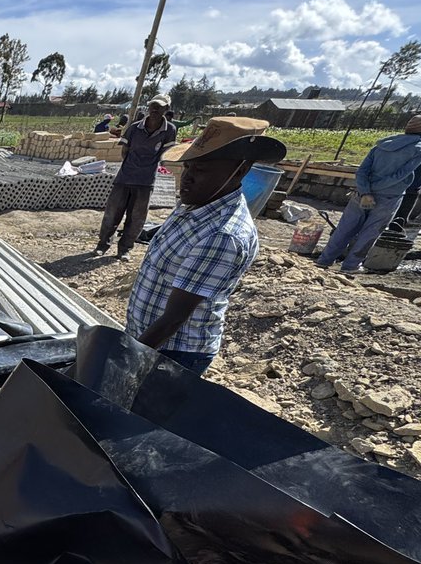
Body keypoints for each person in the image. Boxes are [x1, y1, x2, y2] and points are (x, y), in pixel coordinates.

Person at [126, 116, 286, 375]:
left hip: (172, 351)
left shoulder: (222, 235)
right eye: (187, 167)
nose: (187, 178)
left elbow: (173, 319)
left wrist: (127, 360)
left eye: (200, 170)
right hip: (148, 340)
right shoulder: (195, 203)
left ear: (240, 171)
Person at [316, 115, 421, 274]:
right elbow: (401, 175)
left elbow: (361, 171)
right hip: (389, 196)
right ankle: (350, 267)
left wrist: (366, 191)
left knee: (345, 228)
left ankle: (324, 260)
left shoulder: (383, 144)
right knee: (370, 232)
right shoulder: (418, 149)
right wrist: (376, 189)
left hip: (362, 193)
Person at [94, 95, 178, 261]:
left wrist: (147, 166)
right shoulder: (135, 127)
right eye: (153, 106)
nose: (155, 110)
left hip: (145, 181)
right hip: (125, 178)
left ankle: (124, 249)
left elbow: (165, 153)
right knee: (112, 213)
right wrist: (132, 166)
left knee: (137, 218)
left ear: (166, 109)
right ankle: (102, 245)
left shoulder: (169, 130)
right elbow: (125, 151)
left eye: (159, 107)